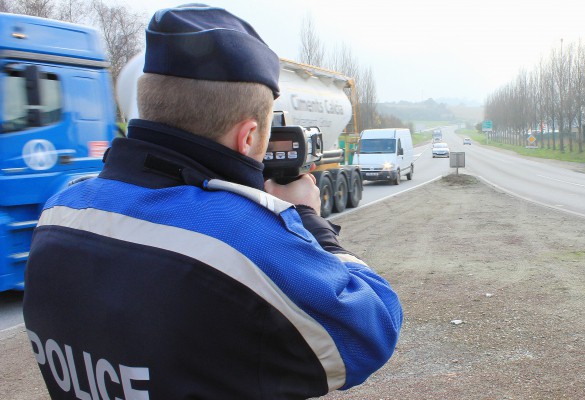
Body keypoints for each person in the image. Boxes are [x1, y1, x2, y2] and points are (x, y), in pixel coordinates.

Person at [22, 4, 402, 399]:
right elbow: (373, 327)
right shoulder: (242, 239)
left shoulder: (58, 211)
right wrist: (307, 218)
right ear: (248, 135)